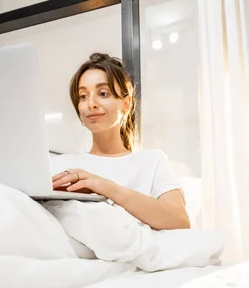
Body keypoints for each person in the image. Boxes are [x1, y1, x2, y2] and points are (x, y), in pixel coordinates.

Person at [50, 53, 190, 230]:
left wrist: (107, 188)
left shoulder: (151, 161)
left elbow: (179, 220)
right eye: (83, 96)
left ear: (126, 104)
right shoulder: (60, 166)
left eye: (102, 93)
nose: (90, 103)